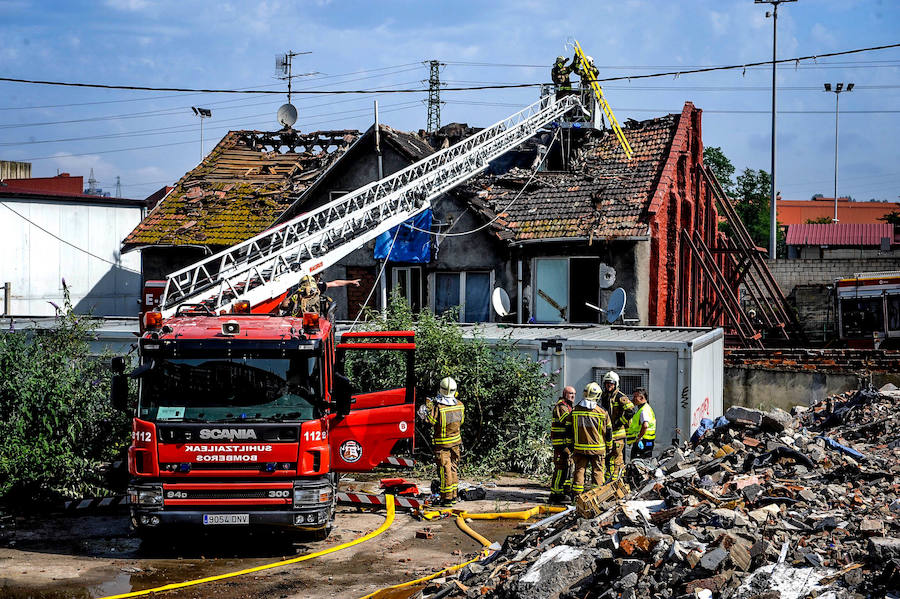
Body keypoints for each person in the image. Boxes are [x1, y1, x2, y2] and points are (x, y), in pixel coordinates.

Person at [418, 377, 465, 506]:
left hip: (443, 445)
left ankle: (447, 498)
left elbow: (430, 422)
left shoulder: (439, 408)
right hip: (456, 443)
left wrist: (425, 411)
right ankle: (454, 496)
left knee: (445, 470)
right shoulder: (460, 405)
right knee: (454, 468)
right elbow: (461, 422)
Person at [571, 382, 611, 495]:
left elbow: (570, 428)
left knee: (579, 470)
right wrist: (609, 446)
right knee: (598, 472)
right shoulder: (602, 412)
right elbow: (609, 431)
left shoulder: (575, 410)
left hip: (580, 448)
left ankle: (577, 496)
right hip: (598, 449)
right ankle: (596, 497)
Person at [600, 371, 636, 482]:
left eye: (611, 384)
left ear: (616, 384)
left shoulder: (620, 397)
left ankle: (615, 482)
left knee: (615, 460)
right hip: (607, 433)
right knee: (608, 460)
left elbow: (631, 411)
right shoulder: (604, 396)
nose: (608, 386)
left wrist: (619, 422)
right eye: (606, 383)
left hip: (617, 434)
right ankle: (610, 483)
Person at [280, 273, 360, 316]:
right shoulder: (296, 291)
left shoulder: (318, 287)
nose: (318, 277)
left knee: (325, 303)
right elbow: (283, 306)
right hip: (301, 319)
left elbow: (335, 283)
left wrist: (350, 282)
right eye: (316, 276)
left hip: (313, 319)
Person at [549, 385, 575, 503]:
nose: (573, 396)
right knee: (560, 468)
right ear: (565, 394)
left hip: (565, 442)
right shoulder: (561, 406)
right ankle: (556, 493)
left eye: (574, 393)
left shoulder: (569, 406)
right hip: (560, 442)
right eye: (570, 393)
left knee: (567, 466)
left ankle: (564, 491)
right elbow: (567, 420)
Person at [626, 387, 656, 460]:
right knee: (645, 463)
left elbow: (645, 426)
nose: (633, 399)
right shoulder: (647, 408)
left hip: (642, 442)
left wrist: (639, 438)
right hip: (649, 441)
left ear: (642, 398)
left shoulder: (643, 411)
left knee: (636, 464)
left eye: (635, 397)